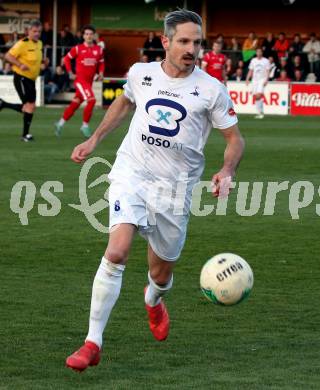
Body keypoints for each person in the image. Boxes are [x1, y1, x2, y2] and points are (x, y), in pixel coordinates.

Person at [65, 9, 244, 372]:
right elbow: (124, 102)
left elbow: (234, 139)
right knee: (116, 252)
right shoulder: (140, 74)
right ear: (165, 41)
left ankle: (153, 299)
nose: (191, 48)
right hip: (132, 174)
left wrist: (226, 169)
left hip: (175, 191)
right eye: (183, 41)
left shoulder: (211, 90)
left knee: (161, 273)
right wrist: (96, 139)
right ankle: (92, 341)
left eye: (197, 42)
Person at [54, 24, 104, 138]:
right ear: (83, 36)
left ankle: (60, 124)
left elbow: (101, 63)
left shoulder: (98, 49)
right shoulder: (78, 48)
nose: (89, 36)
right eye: (86, 34)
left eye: (91, 34)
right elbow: (66, 59)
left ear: (94, 35)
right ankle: (84, 125)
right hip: (80, 81)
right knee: (91, 100)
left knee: (75, 103)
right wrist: (70, 72)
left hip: (89, 82)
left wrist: (101, 73)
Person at [0, 20, 42, 141]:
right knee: (28, 106)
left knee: (31, 107)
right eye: (34, 31)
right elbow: (8, 56)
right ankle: (25, 135)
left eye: (39, 31)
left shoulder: (39, 43)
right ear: (28, 31)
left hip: (31, 80)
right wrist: (19, 64)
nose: (37, 34)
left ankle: (3, 104)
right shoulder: (22, 43)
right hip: (22, 78)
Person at [246, 48, 271, 119]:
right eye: (257, 52)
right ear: (256, 53)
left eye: (260, 52)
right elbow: (251, 70)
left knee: (259, 95)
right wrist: (247, 79)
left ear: (262, 53)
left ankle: (260, 112)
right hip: (254, 80)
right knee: (256, 97)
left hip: (262, 80)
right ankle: (260, 112)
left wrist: (267, 80)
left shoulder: (266, 61)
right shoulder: (253, 60)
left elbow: (268, 71)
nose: (259, 53)